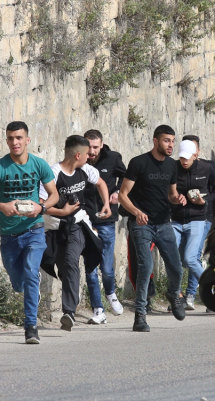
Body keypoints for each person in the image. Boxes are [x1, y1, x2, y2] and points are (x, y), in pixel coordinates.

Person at [0, 121, 59, 344]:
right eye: (11, 138)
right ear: (6, 141)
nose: (15, 142)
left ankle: (30, 327)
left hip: (34, 229)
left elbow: (54, 195)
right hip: (9, 235)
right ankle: (28, 286)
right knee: (18, 282)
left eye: (19, 138)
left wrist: (42, 208)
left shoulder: (39, 165)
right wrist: (1, 206)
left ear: (27, 140)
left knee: (31, 272)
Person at [118, 125, 188, 332]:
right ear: (155, 141)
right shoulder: (138, 163)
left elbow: (171, 194)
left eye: (173, 141)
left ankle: (174, 294)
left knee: (176, 266)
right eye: (167, 140)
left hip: (163, 223)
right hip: (142, 224)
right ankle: (140, 315)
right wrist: (136, 212)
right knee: (145, 267)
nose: (171, 145)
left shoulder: (172, 166)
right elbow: (123, 195)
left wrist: (178, 198)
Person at [39, 136, 112, 331]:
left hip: (77, 225)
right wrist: (62, 211)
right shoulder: (53, 174)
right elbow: (41, 205)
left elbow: (101, 183)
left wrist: (106, 203)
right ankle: (73, 291)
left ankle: (68, 312)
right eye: (87, 154)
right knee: (63, 267)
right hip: (55, 227)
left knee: (71, 261)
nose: (90, 157)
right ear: (78, 154)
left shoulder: (85, 170)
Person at [171, 140, 215, 310]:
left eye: (187, 158)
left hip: (198, 219)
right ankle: (177, 296)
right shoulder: (173, 167)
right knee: (175, 260)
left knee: (190, 258)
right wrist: (176, 197)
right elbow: (166, 190)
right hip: (176, 220)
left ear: (196, 155)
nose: (184, 161)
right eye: (181, 158)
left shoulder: (207, 168)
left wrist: (204, 200)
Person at [81, 130, 126, 322]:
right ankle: (98, 310)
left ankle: (111, 293)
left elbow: (127, 177)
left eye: (95, 147)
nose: (91, 151)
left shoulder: (113, 158)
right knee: (90, 268)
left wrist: (117, 191)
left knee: (106, 269)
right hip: (86, 220)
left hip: (107, 219)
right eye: (88, 147)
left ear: (102, 145)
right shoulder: (78, 159)